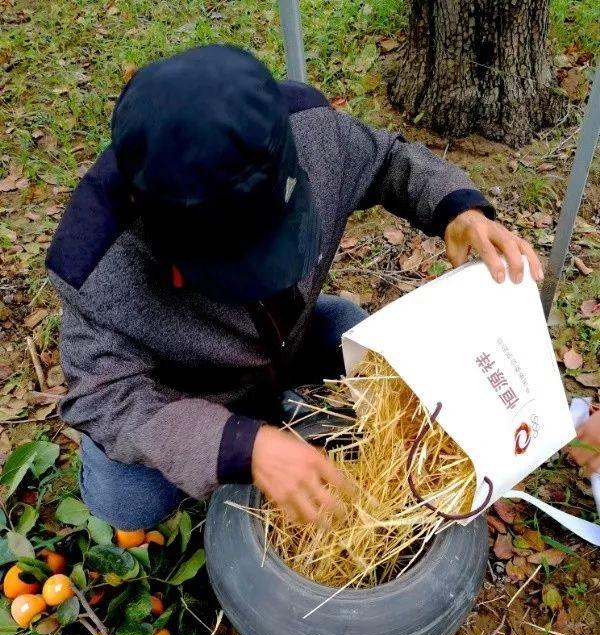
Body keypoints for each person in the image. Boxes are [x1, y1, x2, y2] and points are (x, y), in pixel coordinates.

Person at [47, 44, 546, 531]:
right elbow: (102, 396)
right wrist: (237, 444)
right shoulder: (98, 265)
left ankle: (279, 397)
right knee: (129, 499)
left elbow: (388, 161)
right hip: (183, 389)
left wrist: (456, 208)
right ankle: (214, 441)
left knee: (355, 335)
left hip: (290, 338)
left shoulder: (310, 133)